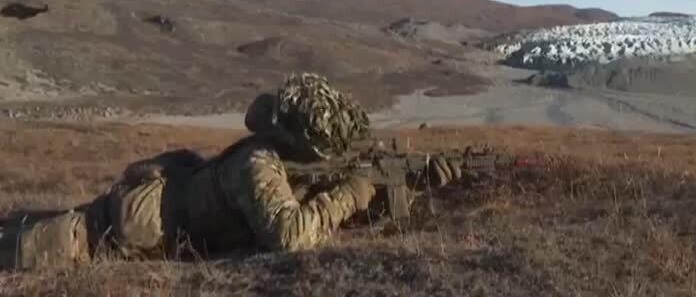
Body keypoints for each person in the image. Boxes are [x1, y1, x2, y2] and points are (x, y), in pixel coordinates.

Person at [0, 72, 461, 270]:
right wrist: (351, 193)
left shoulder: (279, 159)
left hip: (145, 216)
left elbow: (317, 194)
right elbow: (291, 237)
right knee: (22, 247)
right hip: (117, 233)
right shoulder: (257, 164)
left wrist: (407, 185)